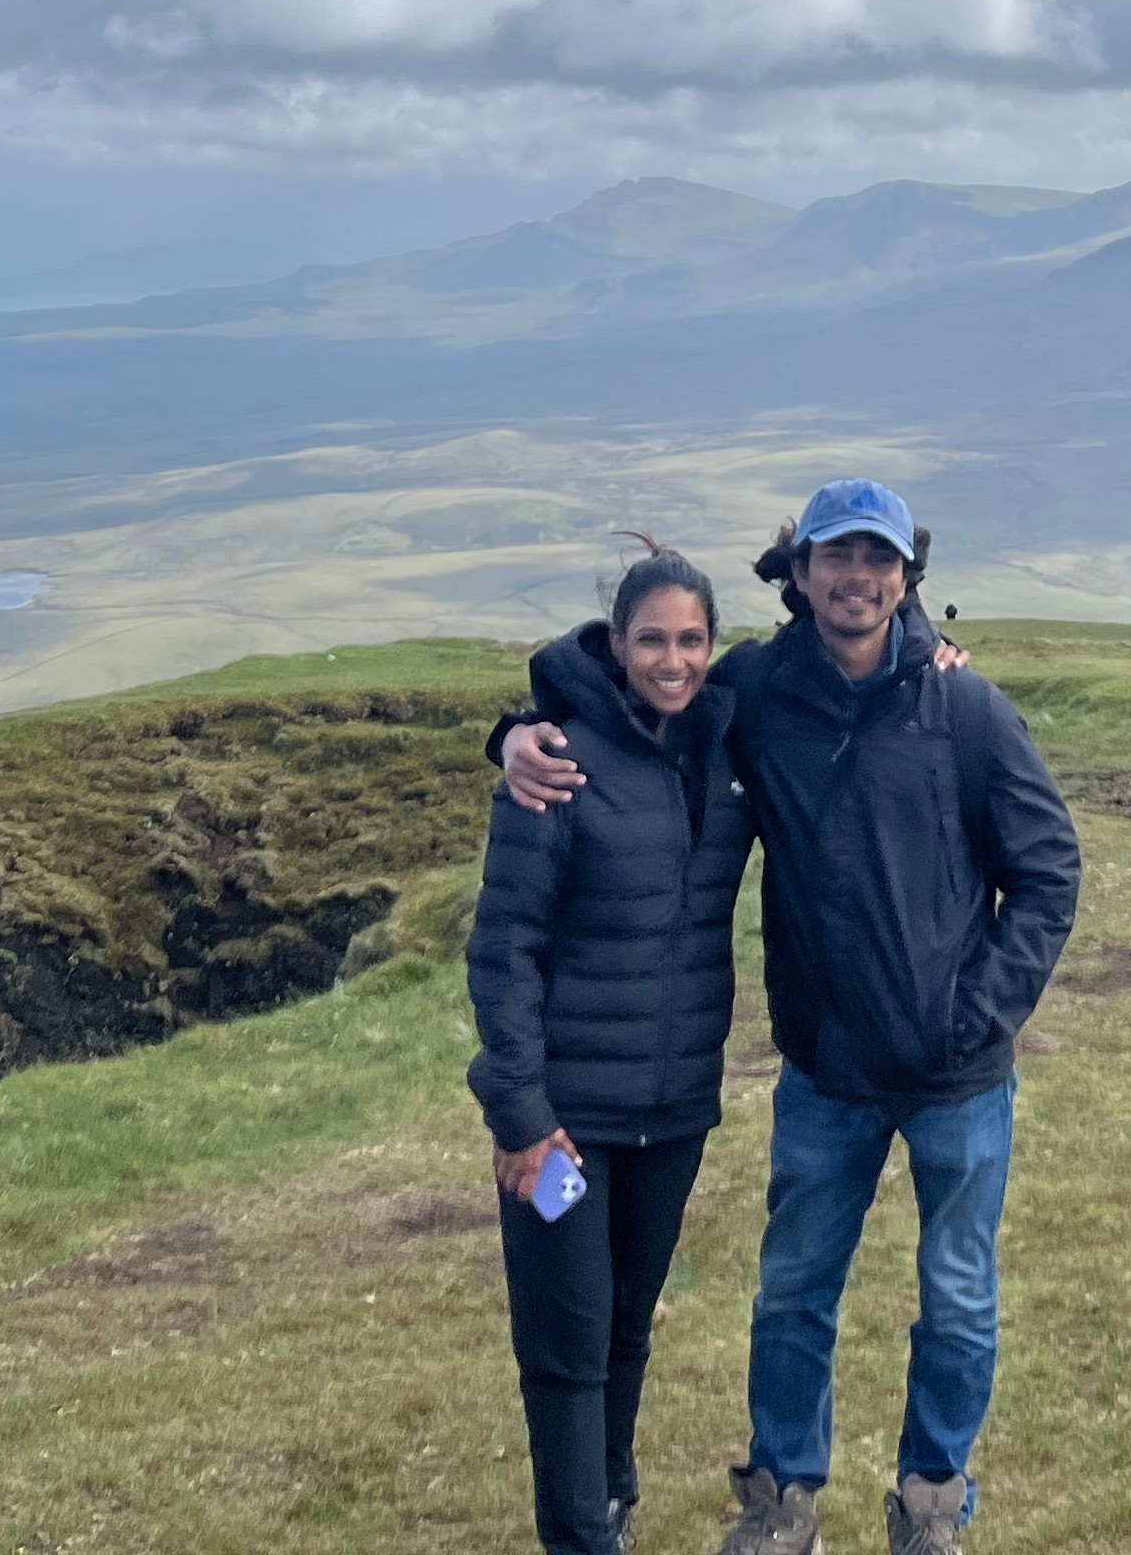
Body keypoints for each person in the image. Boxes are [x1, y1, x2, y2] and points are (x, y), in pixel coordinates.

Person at [501, 479, 1081, 1555]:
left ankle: (930, 1500)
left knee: (957, 1296)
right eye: (834, 557)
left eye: (879, 558)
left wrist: (981, 1010)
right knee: (794, 1292)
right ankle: (782, 1501)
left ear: (907, 575)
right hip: (825, 1070)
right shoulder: (755, 694)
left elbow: (1049, 872)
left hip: (959, 1078)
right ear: (800, 574)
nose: (857, 577)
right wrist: (515, 735)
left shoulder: (966, 709)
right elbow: (634, 704)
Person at [469, 543, 756, 1555]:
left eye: (690, 640)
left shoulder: (724, 749)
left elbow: (832, 660)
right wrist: (522, 1118)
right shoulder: (555, 764)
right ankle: (579, 1537)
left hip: (672, 1115)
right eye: (652, 640)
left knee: (629, 1319)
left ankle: (613, 1497)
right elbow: (503, 950)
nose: (672, 661)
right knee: (567, 1339)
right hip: (564, 1128)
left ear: (712, 648)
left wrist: (926, 645)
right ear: (617, 643)